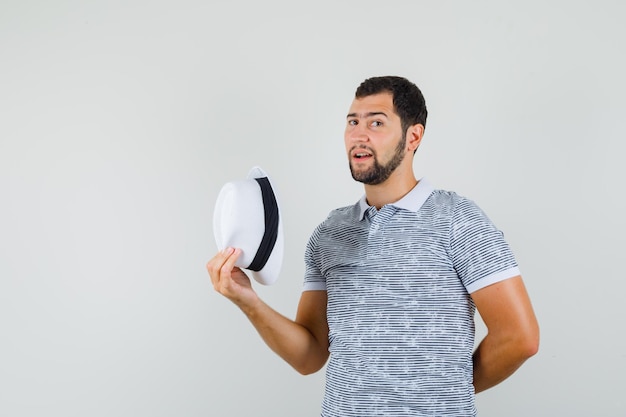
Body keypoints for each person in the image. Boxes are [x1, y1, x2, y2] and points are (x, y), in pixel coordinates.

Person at [207, 75, 539, 416]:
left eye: (376, 122)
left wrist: (446, 391)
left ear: (413, 136)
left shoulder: (458, 219)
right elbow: (309, 357)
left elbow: (519, 337)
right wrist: (248, 301)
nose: (358, 135)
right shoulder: (330, 232)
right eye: (352, 122)